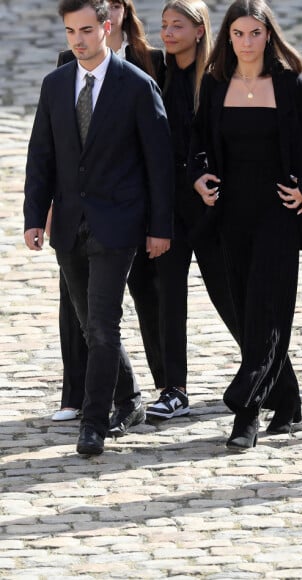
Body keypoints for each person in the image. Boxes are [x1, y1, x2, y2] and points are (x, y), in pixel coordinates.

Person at [189, 0, 302, 451]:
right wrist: (199, 176)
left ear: (268, 35)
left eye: (254, 34)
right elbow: (199, 140)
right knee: (248, 314)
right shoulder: (217, 82)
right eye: (238, 34)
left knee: (267, 312)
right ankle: (289, 397)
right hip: (230, 217)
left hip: (279, 216)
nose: (246, 42)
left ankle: (246, 411)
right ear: (227, 38)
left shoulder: (290, 84)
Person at [24, 0, 174, 456]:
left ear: (107, 27)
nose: (79, 40)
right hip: (68, 225)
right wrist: (34, 216)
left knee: (105, 325)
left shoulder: (137, 85)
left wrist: (159, 227)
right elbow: (41, 156)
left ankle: (93, 424)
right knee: (90, 326)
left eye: (87, 30)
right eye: (71, 32)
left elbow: (159, 165)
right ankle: (128, 398)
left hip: (119, 224)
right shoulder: (54, 86)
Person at [146, 0, 234, 421]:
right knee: (168, 298)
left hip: (209, 207)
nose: (167, 33)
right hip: (167, 207)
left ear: (199, 30)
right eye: (163, 25)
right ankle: (173, 388)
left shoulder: (216, 79)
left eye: (176, 26)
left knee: (229, 295)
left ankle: (266, 371)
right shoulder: (156, 73)